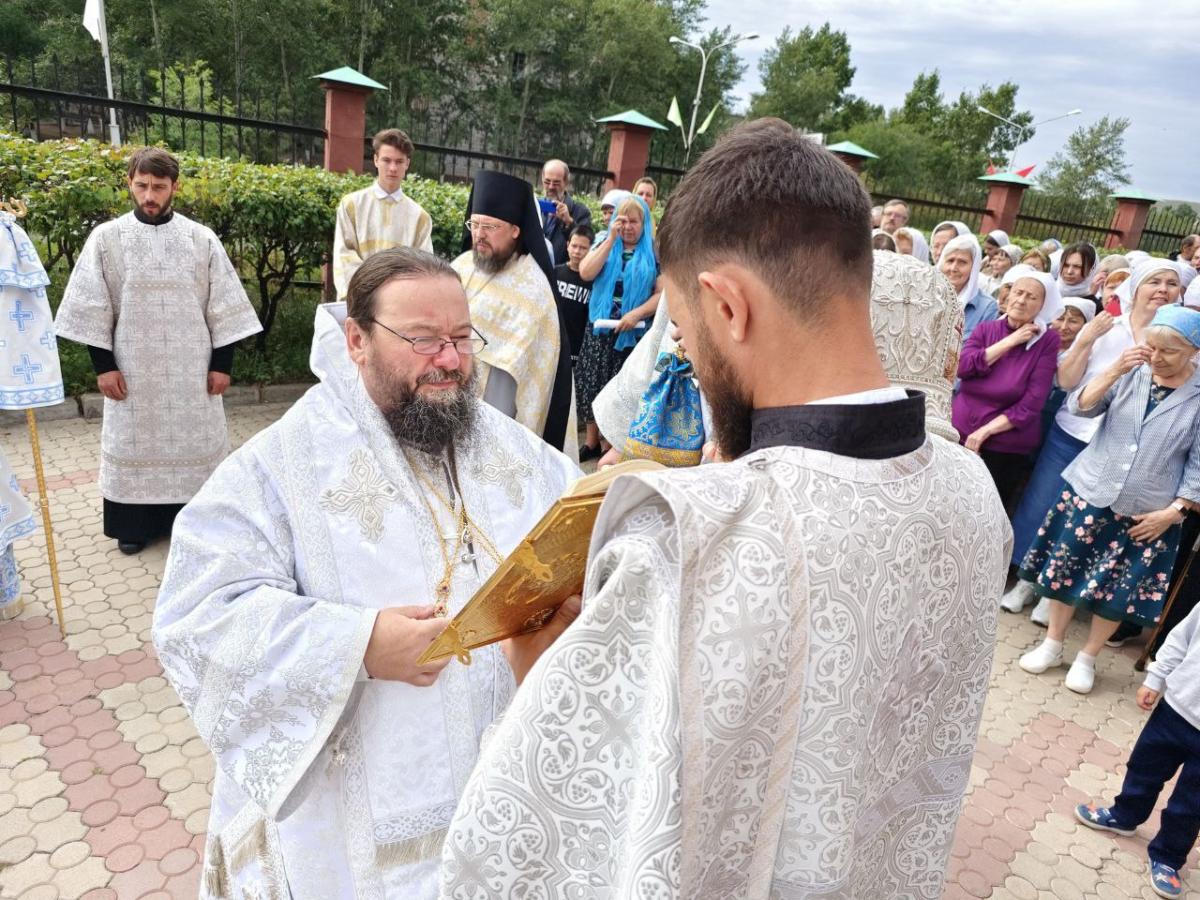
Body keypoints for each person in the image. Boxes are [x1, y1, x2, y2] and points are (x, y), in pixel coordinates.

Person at [439, 118, 1009, 900]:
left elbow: (540, 838)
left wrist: (540, 684)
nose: (690, 355)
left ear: (727, 306)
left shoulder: (690, 537)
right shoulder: (975, 493)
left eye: (682, 328)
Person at [154, 248, 580, 899]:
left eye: (463, 339)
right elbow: (198, 618)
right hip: (357, 830)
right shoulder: (280, 465)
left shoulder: (507, 446)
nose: (451, 361)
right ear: (356, 339)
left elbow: (577, 531)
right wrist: (356, 646)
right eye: (424, 340)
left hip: (498, 785)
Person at [54, 147, 262, 555]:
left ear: (174, 188)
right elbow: (93, 307)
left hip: (191, 370)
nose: (150, 196)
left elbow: (224, 305)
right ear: (130, 184)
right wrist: (104, 367)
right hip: (132, 371)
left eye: (159, 187)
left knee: (196, 445)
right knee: (133, 443)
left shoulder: (199, 238)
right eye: (142, 186)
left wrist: (222, 364)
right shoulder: (107, 239)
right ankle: (133, 526)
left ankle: (197, 523)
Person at [1016, 303, 1200, 695]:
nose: (1157, 358)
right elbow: (1080, 406)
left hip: (1149, 510)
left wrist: (1174, 512)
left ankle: (1088, 657)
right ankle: (1052, 643)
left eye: (1169, 351)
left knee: (1118, 587)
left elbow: (1198, 466)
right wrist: (1115, 369)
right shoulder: (1131, 370)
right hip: (1091, 488)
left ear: (1194, 352)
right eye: (1152, 347)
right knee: (1066, 569)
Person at [1003, 260, 1184, 618]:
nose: (1163, 289)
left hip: (1125, 448)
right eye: (1155, 282)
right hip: (1073, 432)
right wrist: (1085, 339)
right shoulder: (1107, 326)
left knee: (1085, 524)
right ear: (1136, 287)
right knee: (1043, 507)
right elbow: (1067, 382)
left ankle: (1053, 595)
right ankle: (1025, 581)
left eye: (1172, 284)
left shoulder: (1179, 340)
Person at [1076, 603, 1200, 899]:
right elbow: (1181, 638)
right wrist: (1155, 678)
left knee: (1192, 804)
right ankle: (1125, 814)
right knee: (1144, 768)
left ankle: (1169, 856)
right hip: (1176, 708)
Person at [452, 169, 576, 456]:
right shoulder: (461, 266)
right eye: (475, 224)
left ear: (516, 230)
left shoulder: (534, 288)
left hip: (498, 413)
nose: (479, 235)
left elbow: (523, 377)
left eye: (490, 227)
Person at [954, 272, 1063, 513]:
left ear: (1043, 305)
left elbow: (1032, 403)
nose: (1021, 300)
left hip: (1004, 444)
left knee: (985, 512)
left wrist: (985, 431)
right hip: (959, 430)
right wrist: (1009, 341)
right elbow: (962, 367)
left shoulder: (1047, 341)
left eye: (1031, 297)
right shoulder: (987, 329)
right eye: (1018, 292)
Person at [575, 195, 662, 461]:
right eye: (621, 221)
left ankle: (609, 444)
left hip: (631, 333)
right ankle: (590, 441)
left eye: (633, 221)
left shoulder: (653, 252)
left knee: (620, 389)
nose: (627, 227)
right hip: (600, 329)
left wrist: (637, 314)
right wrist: (611, 239)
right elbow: (585, 272)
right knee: (593, 383)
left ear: (644, 223)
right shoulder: (605, 241)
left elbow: (663, 293)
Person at [332, 129, 434, 299]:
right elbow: (344, 258)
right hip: (359, 303)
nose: (393, 168)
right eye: (387, 160)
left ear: (407, 164)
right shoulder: (351, 205)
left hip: (400, 306)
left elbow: (422, 268)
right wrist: (371, 295)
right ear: (376, 160)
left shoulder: (420, 218)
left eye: (399, 161)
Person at [939, 232, 998, 341]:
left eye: (962, 262)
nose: (953, 268)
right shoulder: (927, 297)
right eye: (950, 260)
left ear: (974, 268)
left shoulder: (987, 307)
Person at [553, 224, 594, 364]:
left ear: (591, 250)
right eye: (574, 246)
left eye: (583, 248)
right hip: (551, 341)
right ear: (567, 245)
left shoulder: (594, 282)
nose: (577, 251)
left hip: (576, 349)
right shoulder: (554, 272)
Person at [540, 159, 593, 265]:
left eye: (556, 183)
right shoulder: (536, 205)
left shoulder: (581, 211)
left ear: (566, 183)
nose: (550, 187)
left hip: (560, 274)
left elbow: (585, 244)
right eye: (547, 182)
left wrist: (569, 222)